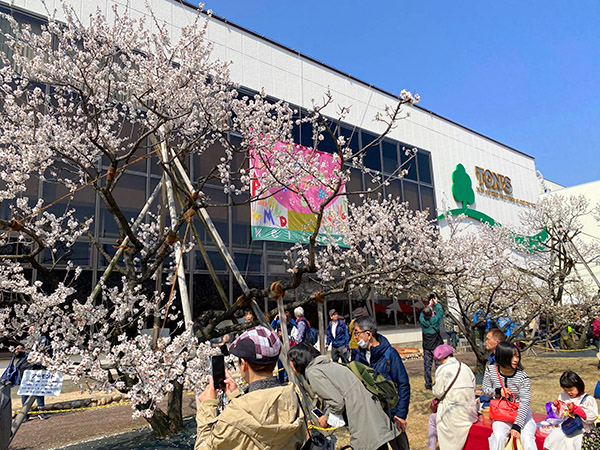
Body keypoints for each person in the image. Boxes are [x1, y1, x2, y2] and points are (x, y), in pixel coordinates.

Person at [195, 326, 306, 449]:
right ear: (275, 362)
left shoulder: (232, 416)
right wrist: (236, 397)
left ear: (244, 364)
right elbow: (266, 413)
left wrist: (207, 406)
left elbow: (205, 446)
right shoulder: (294, 397)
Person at [288, 343, 395, 450]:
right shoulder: (328, 365)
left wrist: (326, 418)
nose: (290, 365)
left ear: (298, 360)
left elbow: (337, 403)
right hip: (370, 411)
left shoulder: (313, 372)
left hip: (361, 416)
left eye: (290, 361)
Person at [353, 316, 410, 450]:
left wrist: (401, 415)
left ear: (368, 334)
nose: (355, 337)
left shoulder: (390, 354)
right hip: (372, 415)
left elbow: (403, 384)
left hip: (392, 413)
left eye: (356, 332)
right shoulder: (358, 356)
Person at [482, 341, 536, 450]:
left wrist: (517, 425)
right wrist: (498, 392)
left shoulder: (522, 376)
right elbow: (485, 390)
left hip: (521, 413)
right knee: (498, 437)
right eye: (512, 357)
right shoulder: (490, 370)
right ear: (502, 357)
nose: (516, 360)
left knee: (527, 438)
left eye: (517, 356)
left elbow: (525, 402)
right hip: (501, 413)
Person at [431, 344, 477, 450]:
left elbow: (438, 392)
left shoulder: (442, 369)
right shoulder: (465, 367)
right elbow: (473, 388)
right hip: (470, 413)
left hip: (453, 414)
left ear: (441, 358)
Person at [543, 371, 598, 450]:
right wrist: (558, 407)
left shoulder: (588, 400)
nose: (569, 392)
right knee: (553, 439)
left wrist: (576, 409)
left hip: (583, 430)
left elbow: (592, 417)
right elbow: (562, 416)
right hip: (567, 427)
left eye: (571, 390)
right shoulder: (563, 396)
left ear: (578, 386)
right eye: (566, 390)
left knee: (578, 443)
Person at [0, 343, 47, 420]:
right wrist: (17, 351)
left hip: (37, 368)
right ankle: (25, 413)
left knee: (39, 390)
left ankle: (41, 411)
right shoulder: (25, 341)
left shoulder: (42, 340)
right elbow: (18, 355)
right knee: (25, 391)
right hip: (25, 369)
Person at [420, 293, 444, 390]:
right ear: (431, 313)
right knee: (438, 366)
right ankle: (439, 383)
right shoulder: (435, 320)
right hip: (436, 347)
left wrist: (428, 305)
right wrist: (436, 303)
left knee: (427, 366)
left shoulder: (422, 321)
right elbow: (440, 312)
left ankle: (428, 384)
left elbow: (422, 314)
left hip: (427, 347)